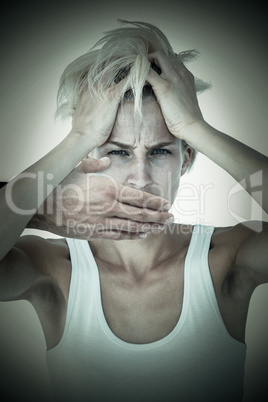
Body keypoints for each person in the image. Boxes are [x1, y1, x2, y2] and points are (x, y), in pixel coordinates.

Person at [0, 20, 267, 402]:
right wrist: (79, 138)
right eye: (117, 151)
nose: (140, 179)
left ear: (186, 159)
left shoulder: (227, 258)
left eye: (160, 151)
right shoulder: (54, 270)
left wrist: (195, 126)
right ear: (87, 160)